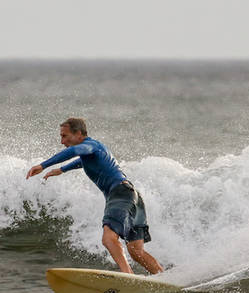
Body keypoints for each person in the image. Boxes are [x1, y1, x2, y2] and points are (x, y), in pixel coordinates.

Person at [26, 117, 164, 275]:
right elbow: (82, 160)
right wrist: (62, 169)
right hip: (133, 196)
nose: (62, 141)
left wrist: (43, 165)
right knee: (136, 251)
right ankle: (165, 278)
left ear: (78, 134)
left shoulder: (89, 145)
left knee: (108, 239)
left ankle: (128, 275)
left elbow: (73, 152)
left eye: (65, 136)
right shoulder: (94, 149)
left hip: (119, 193)